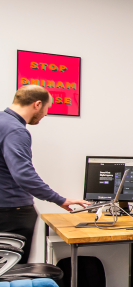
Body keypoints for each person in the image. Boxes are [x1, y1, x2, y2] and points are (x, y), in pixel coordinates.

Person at [0, 85, 90, 258]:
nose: (46, 113)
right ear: (37, 104)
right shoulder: (15, 130)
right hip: (12, 213)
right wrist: (60, 199)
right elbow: (24, 175)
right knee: (13, 273)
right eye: (47, 108)